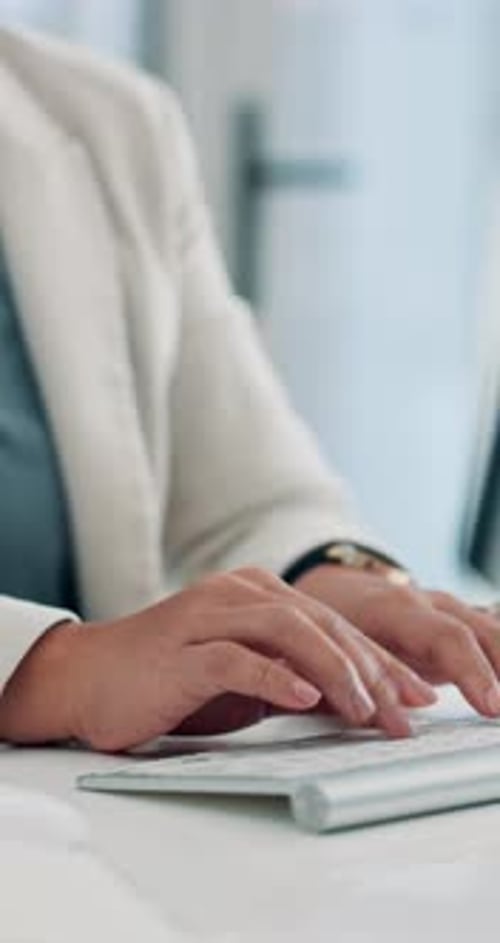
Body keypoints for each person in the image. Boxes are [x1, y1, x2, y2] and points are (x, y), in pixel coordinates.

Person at [0, 26, 499, 754]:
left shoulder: (113, 122)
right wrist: (54, 667)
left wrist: (338, 590)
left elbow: (254, 502)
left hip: (75, 830)